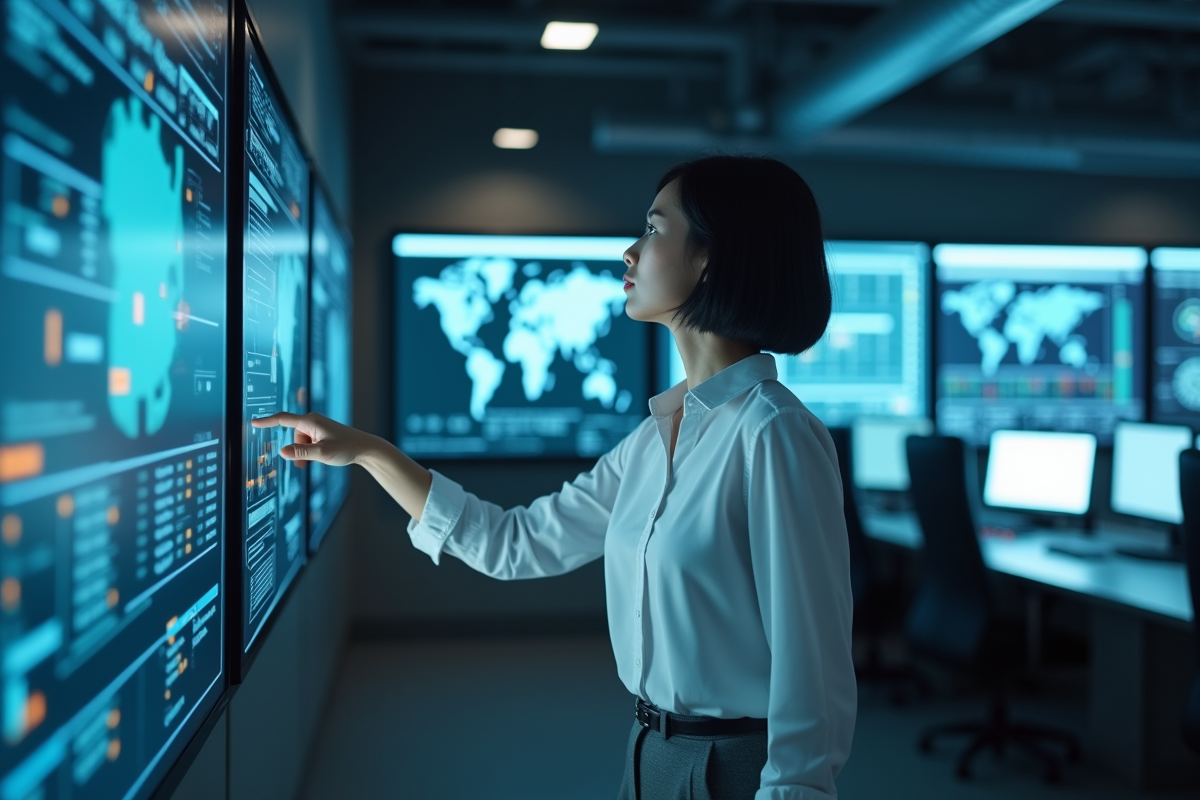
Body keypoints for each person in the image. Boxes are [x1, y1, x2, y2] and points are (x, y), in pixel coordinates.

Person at [254, 155, 856, 800]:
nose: (629, 252)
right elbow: (517, 544)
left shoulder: (774, 433)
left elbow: (812, 669)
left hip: (738, 771)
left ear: (711, 257)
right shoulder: (656, 438)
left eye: (653, 231)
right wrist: (373, 454)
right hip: (648, 751)